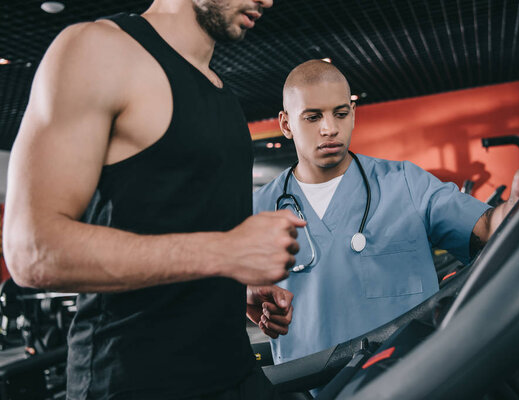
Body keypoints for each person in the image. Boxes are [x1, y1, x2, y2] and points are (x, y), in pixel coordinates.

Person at [3, 0, 306, 398]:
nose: (267, 0)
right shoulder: (98, 50)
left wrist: (231, 286)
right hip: (134, 384)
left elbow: (172, 227)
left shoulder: (221, 94)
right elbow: (32, 251)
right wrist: (223, 253)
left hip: (234, 373)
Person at [251, 59, 519, 366]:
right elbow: (227, 295)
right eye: (312, 117)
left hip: (404, 376)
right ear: (286, 123)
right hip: (305, 382)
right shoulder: (259, 207)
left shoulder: (404, 182)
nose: (330, 128)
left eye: (340, 113)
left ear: (353, 113)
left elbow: (488, 226)